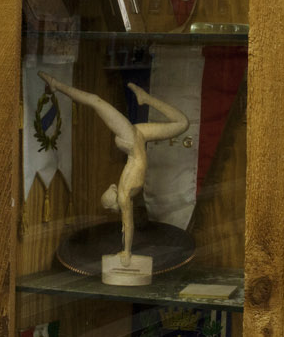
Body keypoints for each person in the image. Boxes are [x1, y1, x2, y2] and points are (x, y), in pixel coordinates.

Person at [37, 72, 187, 264]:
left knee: (182, 124)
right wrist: (126, 252)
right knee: (95, 101)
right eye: (108, 199)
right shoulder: (125, 196)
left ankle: (146, 98)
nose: (110, 188)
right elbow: (127, 224)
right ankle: (56, 84)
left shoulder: (124, 190)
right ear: (116, 204)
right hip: (131, 139)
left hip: (137, 138)